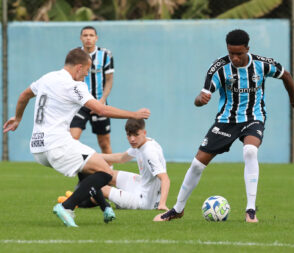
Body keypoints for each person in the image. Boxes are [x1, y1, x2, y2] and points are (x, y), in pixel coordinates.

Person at [154, 29, 294, 223]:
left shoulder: (262, 64)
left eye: (239, 54)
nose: (234, 58)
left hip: (253, 118)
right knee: (198, 164)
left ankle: (250, 210)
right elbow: (200, 97)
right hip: (226, 121)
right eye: (231, 53)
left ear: (247, 49)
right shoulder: (218, 68)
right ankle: (177, 209)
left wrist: (293, 100)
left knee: (250, 151)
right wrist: (201, 99)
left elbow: (286, 75)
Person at [3, 48, 150, 227]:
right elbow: (101, 109)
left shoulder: (47, 78)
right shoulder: (74, 86)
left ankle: (105, 207)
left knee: (87, 168)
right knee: (106, 172)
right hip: (57, 144)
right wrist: (133, 114)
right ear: (79, 67)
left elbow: (24, 95)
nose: (86, 75)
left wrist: (17, 118)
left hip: (38, 148)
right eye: (87, 70)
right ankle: (66, 206)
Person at [63, 119, 170, 211]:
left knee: (101, 188)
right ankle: (82, 194)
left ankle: (77, 201)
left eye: (136, 135)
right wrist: (91, 156)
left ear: (144, 132)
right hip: (141, 185)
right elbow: (121, 158)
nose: (132, 139)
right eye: (129, 135)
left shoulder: (149, 152)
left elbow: (164, 178)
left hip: (145, 201)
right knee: (105, 174)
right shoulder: (142, 143)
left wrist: (162, 204)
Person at [70, 26, 114, 155]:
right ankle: (78, 167)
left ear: (96, 38)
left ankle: (109, 172)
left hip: (99, 102)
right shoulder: (74, 54)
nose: (88, 38)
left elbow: (109, 80)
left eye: (91, 35)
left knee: (104, 143)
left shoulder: (105, 55)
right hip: (80, 104)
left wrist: (102, 100)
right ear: (81, 38)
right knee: (73, 138)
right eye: (85, 35)